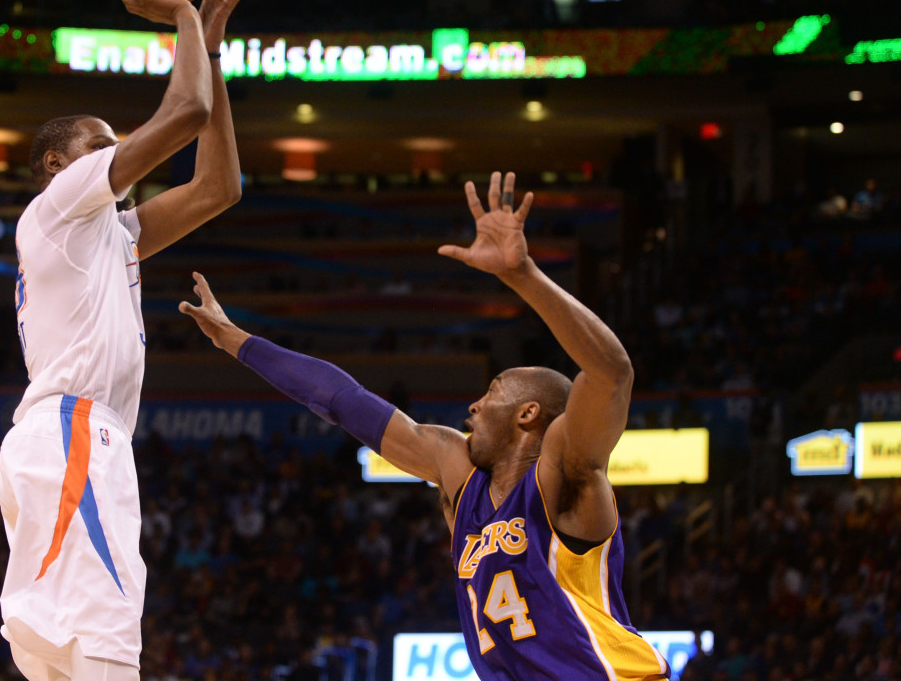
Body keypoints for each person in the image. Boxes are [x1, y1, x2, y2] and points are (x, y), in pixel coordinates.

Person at [181, 172, 670, 681]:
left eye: (494, 390)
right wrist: (238, 342)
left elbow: (612, 375)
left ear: (529, 415)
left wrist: (522, 274)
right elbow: (345, 402)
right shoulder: (459, 478)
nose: (474, 406)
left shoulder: (564, 475)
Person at [0, 0, 243, 681]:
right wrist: (184, 17)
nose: (114, 154)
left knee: (68, 665)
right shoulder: (62, 203)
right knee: (106, 652)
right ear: (56, 164)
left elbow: (218, 187)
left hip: (65, 440)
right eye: (100, 144)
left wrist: (213, 53)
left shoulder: (110, 230)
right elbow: (184, 115)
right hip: (74, 433)